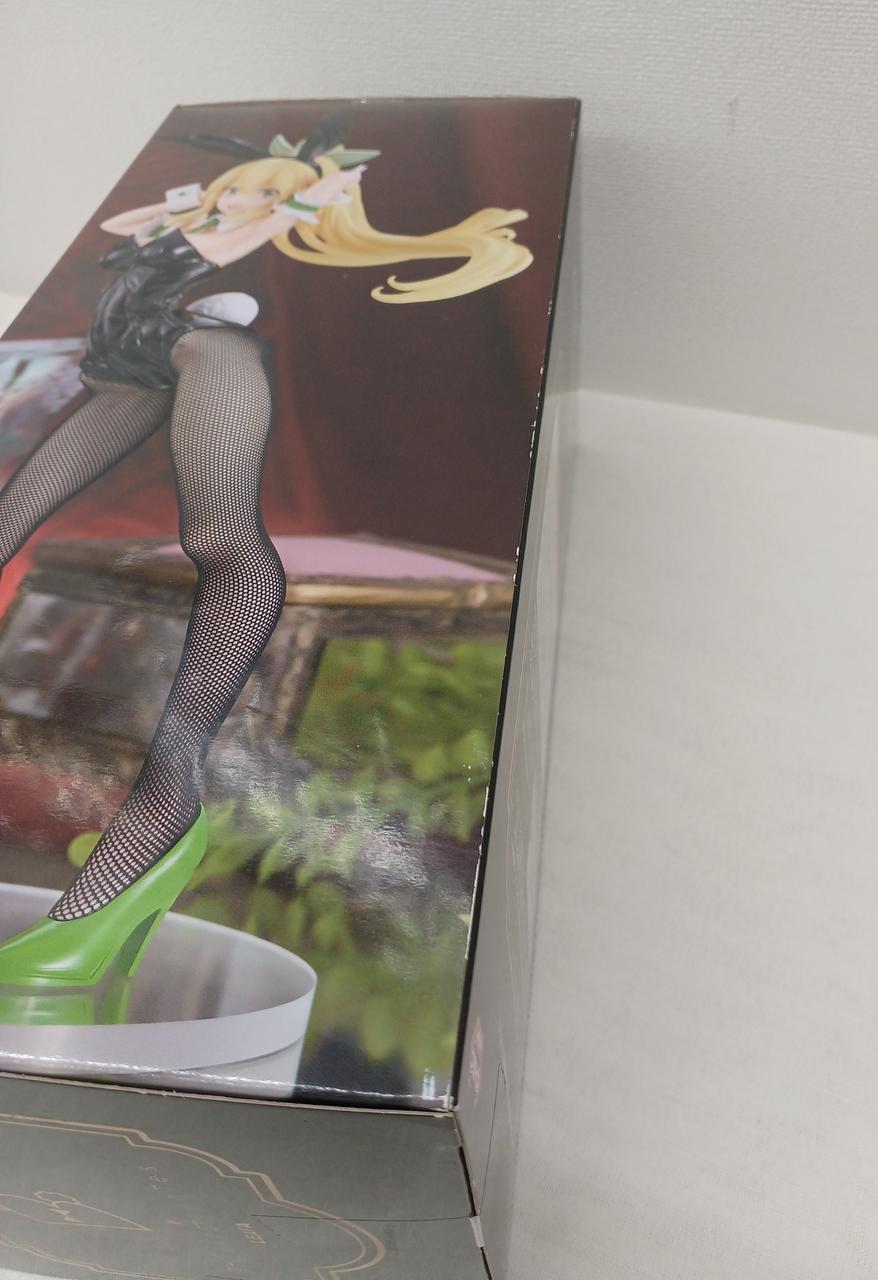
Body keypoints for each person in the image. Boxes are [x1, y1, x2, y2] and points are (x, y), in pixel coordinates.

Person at [0, 119, 533, 985]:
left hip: (210, 357)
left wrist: (308, 190)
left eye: (268, 191)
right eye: (245, 185)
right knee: (10, 515)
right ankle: (154, 825)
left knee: (219, 541)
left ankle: (162, 812)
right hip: (132, 364)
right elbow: (128, 229)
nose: (247, 196)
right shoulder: (182, 218)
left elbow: (240, 228)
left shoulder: (248, 229)